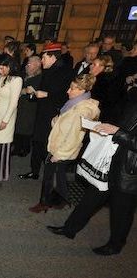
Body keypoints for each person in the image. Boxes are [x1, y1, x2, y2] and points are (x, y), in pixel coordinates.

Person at [47, 102, 137, 256]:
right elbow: (125, 124)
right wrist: (107, 128)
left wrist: (117, 132)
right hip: (112, 160)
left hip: (130, 172)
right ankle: (69, 229)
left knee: (122, 211)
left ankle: (115, 245)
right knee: (90, 200)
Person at [29, 74, 100, 213]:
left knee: (49, 177)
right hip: (60, 145)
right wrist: (57, 120)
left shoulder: (81, 110)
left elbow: (74, 136)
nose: (68, 91)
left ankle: (44, 202)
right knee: (59, 175)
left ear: (82, 91)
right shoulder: (74, 103)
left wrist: (59, 154)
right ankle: (63, 199)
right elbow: (64, 120)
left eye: (72, 88)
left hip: (61, 149)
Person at [19, 42, 74, 180]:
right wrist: (33, 95)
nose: (41, 61)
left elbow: (67, 96)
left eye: (43, 58)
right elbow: (42, 91)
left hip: (52, 115)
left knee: (47, 145)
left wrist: (47, 95)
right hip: (42, 112)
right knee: (37, 143)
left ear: (52, 57)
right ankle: (35, 171)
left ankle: (50, 175)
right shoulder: (48, 70)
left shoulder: (65, 72)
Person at [12, 55, 42, 157]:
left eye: (30, 64)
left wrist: (25, 91)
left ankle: (25, 149)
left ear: (37, 65)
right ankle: (16, 147)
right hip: (20, 105)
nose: (27, 66)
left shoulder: (40, 77)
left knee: (26, 128)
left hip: (30, 107)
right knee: (18, 126)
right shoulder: (24, 75)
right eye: (27, 63)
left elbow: (35, 91)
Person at [89, 55, 119, 123]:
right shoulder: (103, 80)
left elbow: (99, 103)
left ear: (102, 67)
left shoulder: (102, 82)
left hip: (102, 118)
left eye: (94, 64)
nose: (90, 66)